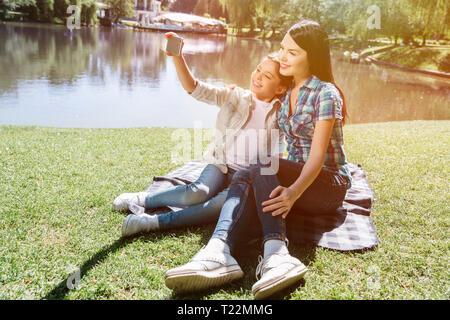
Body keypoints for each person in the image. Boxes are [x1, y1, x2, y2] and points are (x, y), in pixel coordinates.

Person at [164, 20, 352, 299]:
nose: (283, 56)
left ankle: (277, 255)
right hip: (297, 183)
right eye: (282, 49)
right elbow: (260, 97)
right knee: (250, 175)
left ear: (311, 56)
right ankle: (219, 252)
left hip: (326, 185)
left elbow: (316, 159)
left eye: (292, 52)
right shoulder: (286, 94)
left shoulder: (326, 93)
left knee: (262, 163)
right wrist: (240, 94)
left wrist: (292, 192)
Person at [113, 32, 292, 238]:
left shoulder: (282, 114)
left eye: (267, 76)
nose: (258, 76)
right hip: (220, 164)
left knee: (216, 206)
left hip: (248, 177)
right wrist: (178, 57)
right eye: (258, 69)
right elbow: (194, 88)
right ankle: (143, 199)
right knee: (198, 192)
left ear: (281, 88)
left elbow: (285, 145)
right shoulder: (234, 96)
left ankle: (152, 223)